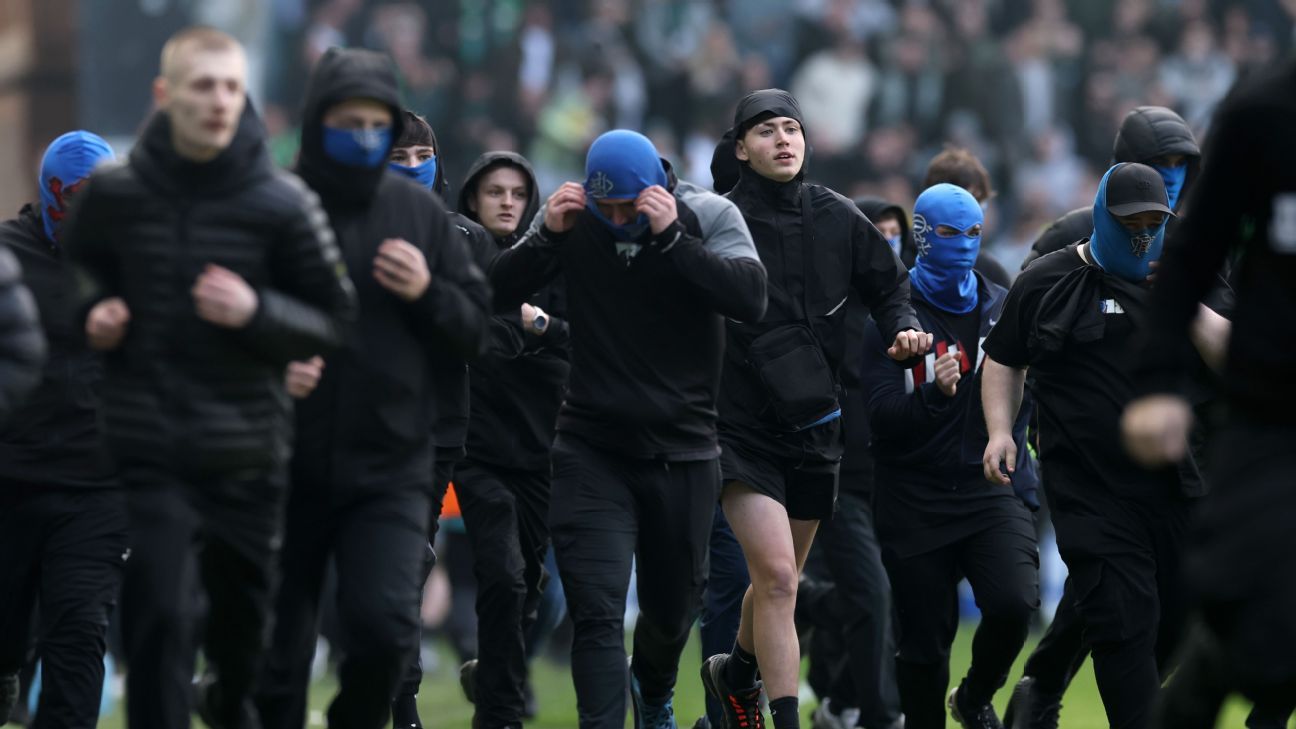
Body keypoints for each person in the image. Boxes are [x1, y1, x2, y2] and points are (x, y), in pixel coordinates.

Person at [60, 27, 356, 729]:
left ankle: (228, 701)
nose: (220, 100)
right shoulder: (114, 192)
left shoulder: (284, 202)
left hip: (248, 453)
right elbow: (75, 274)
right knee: (161, 612)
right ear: (166, 96)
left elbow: (335, 316)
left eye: (231, 86)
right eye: (203, 85)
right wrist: (92, 311)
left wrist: (257, 312)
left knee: (240, 635)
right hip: (151, 447)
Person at [490, 128, 768, 729]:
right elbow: (492, 291)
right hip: (593, 447)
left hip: (685, 448)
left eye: (628, 206)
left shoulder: (707, 214)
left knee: (672, 611)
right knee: (597, 610)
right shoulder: (571, 219)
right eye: (605, 208)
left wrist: (672, 241)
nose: (616, 219)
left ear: (657, 187)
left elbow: (751, 298)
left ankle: (654, 688)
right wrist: (544, 239)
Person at [252, 48, 490, 729]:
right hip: (288, 461)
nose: (361, 134)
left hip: (391, 464)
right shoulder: (277, 206)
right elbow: (230, 317)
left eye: (373, 122)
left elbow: (476, 328)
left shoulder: (424, 221)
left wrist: (427, 292)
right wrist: (274, 359)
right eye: (345, 120)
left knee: (385, 629)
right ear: (317, 120)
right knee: (281, 652)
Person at [700, 88, 929, 729]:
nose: (783, 140)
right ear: (741, 147)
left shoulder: (839, 216)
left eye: (792, 129)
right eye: (767, 131)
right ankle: (783, 717)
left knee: (782, 582)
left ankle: (734, 671)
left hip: (816, 428)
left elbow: (890, 288)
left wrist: (905, 328)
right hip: (737, 427)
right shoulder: (716, 219)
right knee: (776, 576)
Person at [1003, 105, 1206, 729]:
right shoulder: (1065, 244)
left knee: (1167, 610)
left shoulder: (1200, 244)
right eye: (1158, 161)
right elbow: (1016, 344)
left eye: (1181, 164)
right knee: (1117, 602)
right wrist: (1009, 431)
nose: (1170, 175)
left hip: (1185, 471)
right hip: (1085, 468)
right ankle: (1045, 689)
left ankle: (1046, 682)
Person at [1122, 58, 1296, 729]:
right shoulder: (1261, 113)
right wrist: (1157, 383)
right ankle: (1204, 678)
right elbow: (1193, 250)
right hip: (1270, 410)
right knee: (1241, 601)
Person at [865, 184, 1039, 729]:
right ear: (921, 236)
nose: (963, 245)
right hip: (914, 497)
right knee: (923, 648)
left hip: (989, 487)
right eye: (948, 233)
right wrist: (931, 396)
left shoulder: (999, 304)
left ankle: (974, 696)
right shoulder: (893, 313)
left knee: (1015, 604)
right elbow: (879, 417)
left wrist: (1008, 444)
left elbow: (1025, 389)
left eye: (973, 234)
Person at [0, 131, 120, 729]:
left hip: (96, 488)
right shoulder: (5, 255)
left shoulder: (132, 259)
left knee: (77, 633)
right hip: (9, 478)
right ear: (52, 192)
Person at [384, 108, 499, 729]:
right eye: (396, 158)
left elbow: (477, 333)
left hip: (434, 432)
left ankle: (403, 709)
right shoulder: (347, 230)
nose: (411, 168)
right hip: (360, 428)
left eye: (419, 156)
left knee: (405, 568)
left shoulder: (467, 240)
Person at [450, 148, 571, 729]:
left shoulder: (554, 265)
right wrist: (524, 338)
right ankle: (501, 714)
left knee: (532, 591)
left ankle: (493, 679)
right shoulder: (460, 258)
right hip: (474, 452)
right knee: (503, 573)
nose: (506, 202)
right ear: (472, 198)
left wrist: (541, 333)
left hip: (540, 452)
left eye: (518, 193)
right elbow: (470, 338)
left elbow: (580, 341)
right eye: (494, 191)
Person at [795, 194, 908, 729]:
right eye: (874, 231)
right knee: (872, 592)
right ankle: (880, 717)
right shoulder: (828, 309)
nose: (884, 241)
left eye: (893, 232)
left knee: (879, 600)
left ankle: (840, 699)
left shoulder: (903, 313)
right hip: (840, 479)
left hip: (898, 483)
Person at [1020, 106, 1200, 271]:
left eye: (1180, 163)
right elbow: (1025, 296)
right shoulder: (1071, 232)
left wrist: (1183, 291)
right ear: (1128, 163)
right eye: (1161, 162)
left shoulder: (1194, 243)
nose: (1172, 178)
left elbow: (1222, 302)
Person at [918, 147, 1012, 289]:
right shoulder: (901, 263)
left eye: (981, 201)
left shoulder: (992, 274)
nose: (977, 211)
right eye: (969, 201)